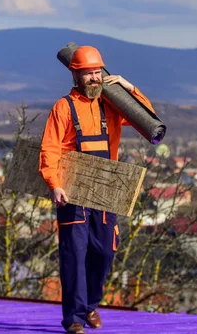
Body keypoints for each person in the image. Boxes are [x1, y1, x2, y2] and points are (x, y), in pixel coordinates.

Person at [39, 45, 156, 333]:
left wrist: (128, 86)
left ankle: (91, 304)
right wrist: (54, 185)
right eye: (87, 73)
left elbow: (147, 118)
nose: (93, 78)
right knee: (74, 256)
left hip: (106, 189)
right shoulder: (63, 107)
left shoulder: (112, 105)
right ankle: (75, 319)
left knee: (104, 252)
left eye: (96, 73)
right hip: (72, 191)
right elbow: (50, 149)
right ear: (75, 75)